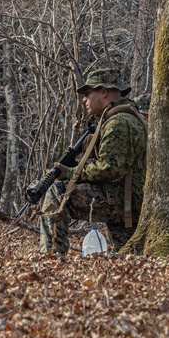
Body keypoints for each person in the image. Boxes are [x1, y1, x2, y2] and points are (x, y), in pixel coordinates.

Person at [39, 69, 147, 254]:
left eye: (88, 93)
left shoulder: (118, 123)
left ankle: (51, 258)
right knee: (129, 255)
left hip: (124, 198)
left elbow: (109, 168)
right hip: (127, 197)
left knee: (57, 193)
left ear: (104, 92)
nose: (84, 99)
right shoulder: (122, 118)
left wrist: (72, 173)